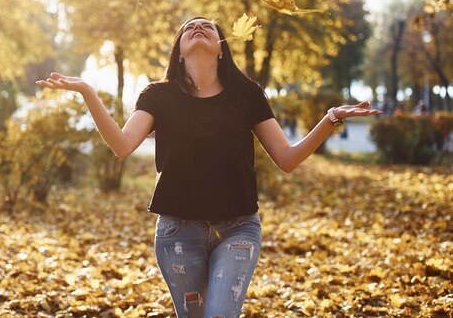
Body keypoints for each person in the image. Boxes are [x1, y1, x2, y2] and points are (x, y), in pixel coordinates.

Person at [36, 16, 382, 317]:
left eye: (207, 26)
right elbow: (123, 146)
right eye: (190, 27)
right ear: (180, 51)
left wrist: (330, 118)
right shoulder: (158, 95)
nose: (198, 27)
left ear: (220, 48)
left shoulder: (247, 95)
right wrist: (86, 91)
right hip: (177, 234)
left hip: (239, 229)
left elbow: (287, 159)